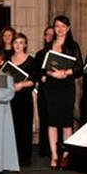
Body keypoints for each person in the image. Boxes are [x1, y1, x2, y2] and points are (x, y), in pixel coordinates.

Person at [40, 16, 82, 169]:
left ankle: (65, 154)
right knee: (52, 121)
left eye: (63, 26)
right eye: (57, 25)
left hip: (66, 85)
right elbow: (42, 67)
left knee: (65, 122)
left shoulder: (73, 46)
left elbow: (79, 67)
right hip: (52, 86)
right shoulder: (48, 46)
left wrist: (66, 72)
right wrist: (51, 74)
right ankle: (54, 155)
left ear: (68, 28)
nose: (60, 28)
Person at [8, 33, 37, 166]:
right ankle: (10, 156)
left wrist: (20, 85)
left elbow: (33, 80)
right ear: (12, 44)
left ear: (25, 45)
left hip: (24, 98)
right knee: (10, 127)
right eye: (16, 42)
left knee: (24, 127)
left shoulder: (31, 60)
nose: (18, 45)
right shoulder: (7, 60)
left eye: (21, 42)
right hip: (9, 97)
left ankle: (24, 157)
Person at [34, 26, 53, 158]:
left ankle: (57, 148)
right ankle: (45, 149)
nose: (50, 37)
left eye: (52, 35)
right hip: (44, 89)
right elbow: (36, 71)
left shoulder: (62, 51)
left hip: (59, 89)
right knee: (45, 118)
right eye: (47, 34)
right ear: (44, 37)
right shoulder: (40, 54)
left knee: (57, 119)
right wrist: (41, 76)